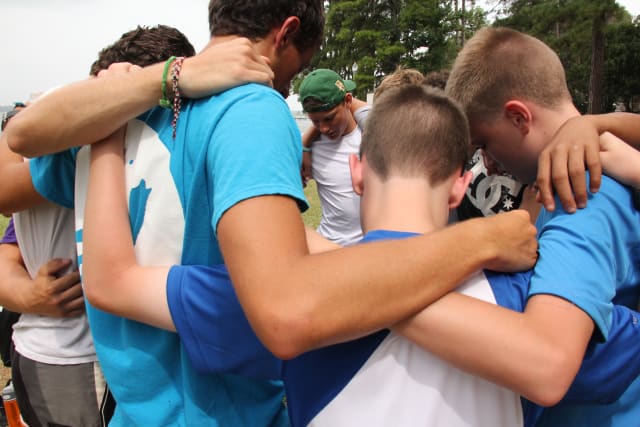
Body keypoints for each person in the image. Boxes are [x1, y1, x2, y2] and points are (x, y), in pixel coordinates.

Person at [5, 2, 537, 423]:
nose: (289, 88)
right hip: (219, 407)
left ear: (359, 172)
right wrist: (481, 240)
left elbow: (22, 143)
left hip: (137, 399)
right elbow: (288, 304)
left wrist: (122, 99)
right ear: (284, 33)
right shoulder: (251, 108)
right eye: (297, 70)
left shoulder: (111, 115)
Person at [0, 25, 199, 427]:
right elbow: (8, 212)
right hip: (74, 356)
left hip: (90, 356)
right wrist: (27, 294)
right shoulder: (77, 144)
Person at [444, 26, 640, 426]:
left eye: (483, 143)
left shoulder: (582, 196)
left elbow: (547, 365)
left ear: (518, 116)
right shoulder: (602, 165)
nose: (489, 163)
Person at [298, 68, 365, 245]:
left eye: (329, 118)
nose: (324, 128)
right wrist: (303, 147)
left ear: (348, 101)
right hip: (328, 243)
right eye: (315, 121)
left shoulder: (371, 137)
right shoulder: (310, 148)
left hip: (367, 247)